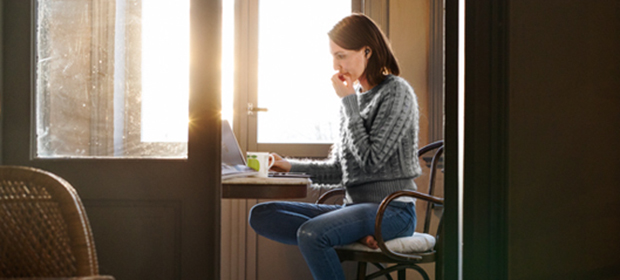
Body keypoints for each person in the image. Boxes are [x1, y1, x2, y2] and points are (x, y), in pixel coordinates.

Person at [248, 13, 421, 280]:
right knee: (262, 214)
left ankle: (349, 230)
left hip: (392, 211)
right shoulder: (353, 100)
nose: (335, 65)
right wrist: (288, 165)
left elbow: (371, 161)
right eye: (333, 56)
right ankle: (353, 230)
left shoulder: (396, 93)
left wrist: (349, 103)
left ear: (367, 51)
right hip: (354, 211)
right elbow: (340, 171)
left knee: (312, 234)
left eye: (341, 55)